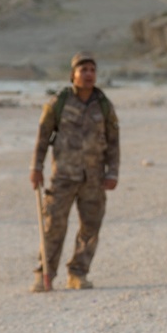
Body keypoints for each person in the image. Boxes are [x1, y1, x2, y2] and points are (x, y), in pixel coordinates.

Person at [29, 52, 119, 291]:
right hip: (63, 178)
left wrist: (113, 173)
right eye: (83, 70)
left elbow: (113, 141)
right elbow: (42, 137)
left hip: (94, 178)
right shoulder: (58, 103)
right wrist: (36, 168)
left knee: (90, 227)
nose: (88, 74)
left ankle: (78, 273)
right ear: (73, 75)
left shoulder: (103, 104)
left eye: (92, 70)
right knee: (53, 226)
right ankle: (44, 274)